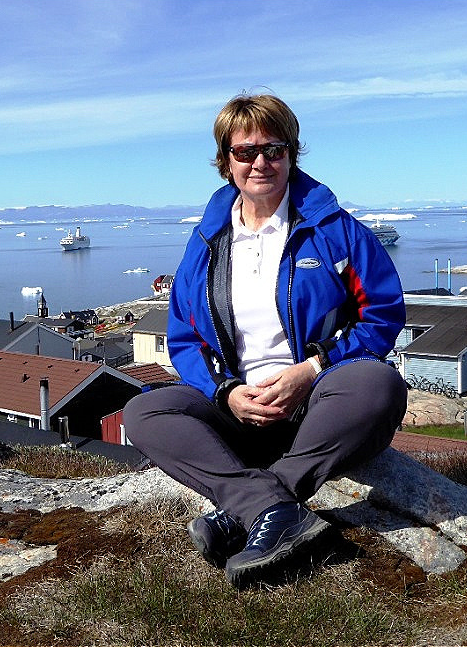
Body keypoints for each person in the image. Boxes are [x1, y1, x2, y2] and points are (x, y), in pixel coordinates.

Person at [123, 93, 408, 588]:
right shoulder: (206, 244)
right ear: (225, 162)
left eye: (274, 149)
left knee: (378, 384)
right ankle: (272, 508)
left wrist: (311, 371)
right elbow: (185, 338)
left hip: (319, 406)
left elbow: (381, 315)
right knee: (144, 412)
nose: (261, 162)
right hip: (238, 409)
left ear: (292, 154)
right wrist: (226, 392)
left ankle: (243, 510)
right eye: (245, 152)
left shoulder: (335, 232)